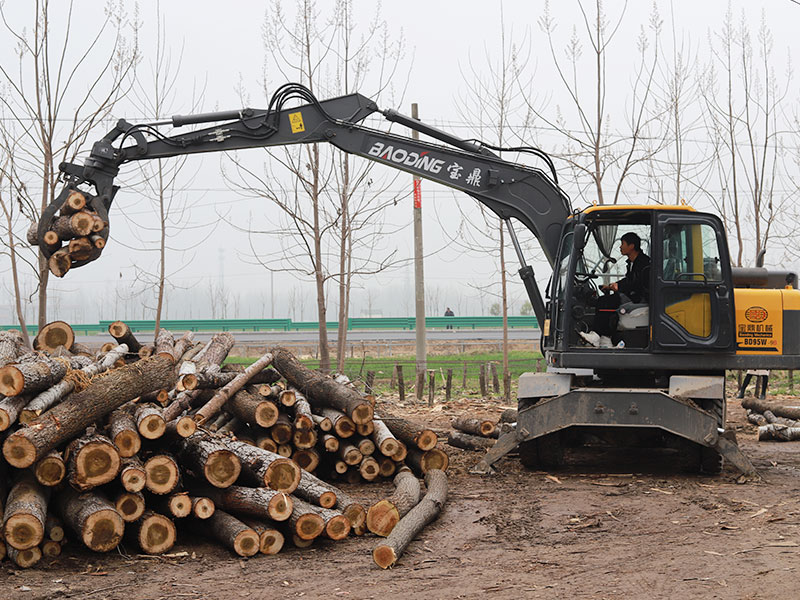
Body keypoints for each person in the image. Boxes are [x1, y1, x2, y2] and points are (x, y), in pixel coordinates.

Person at [579, 232, 651, 348]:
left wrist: (619, 287)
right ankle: (606, 339)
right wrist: (613, 285)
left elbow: (637, 284)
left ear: (631, 246)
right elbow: (629, 280)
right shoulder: (632, 262)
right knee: (606, 302)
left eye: (623, 244)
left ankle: (597, 335)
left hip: (638, 298)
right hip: (632, 294)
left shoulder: (644, 263)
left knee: (603, 302)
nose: (620, 247)